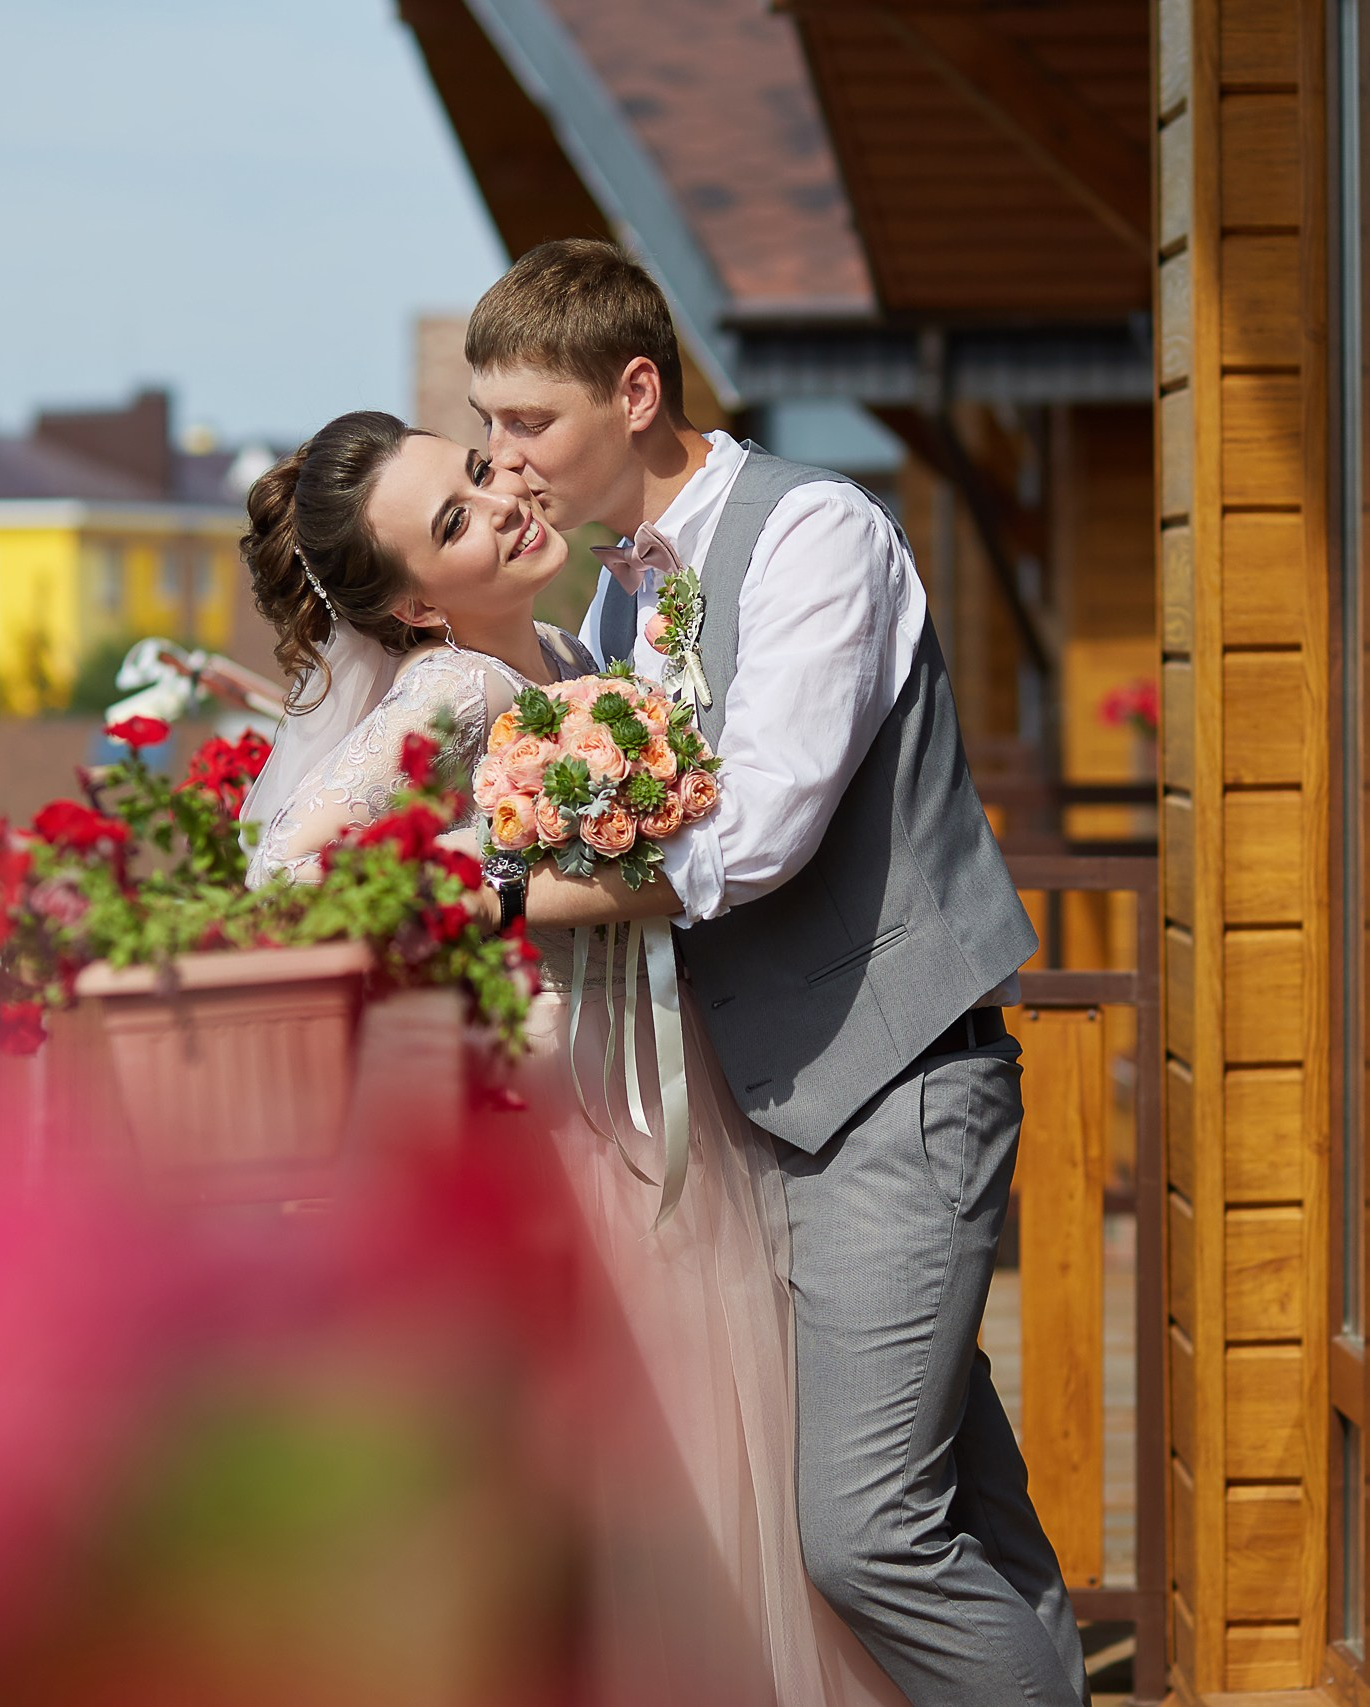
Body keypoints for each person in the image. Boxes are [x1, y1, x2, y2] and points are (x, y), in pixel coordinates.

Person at [469, 240, 1087, 1707]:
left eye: (528, 424)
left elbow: (755, 834)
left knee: (865, 1535)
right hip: (764, 1112)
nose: (505, 463)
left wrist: (490, 888)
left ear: (635, 390)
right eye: (488, 426)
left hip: (894, 1088)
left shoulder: (817, 533)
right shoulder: (617, 600)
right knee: (956, 1507)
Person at [236, 409, 906, 1707]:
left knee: (721, 1456)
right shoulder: (461, 687)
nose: (499, 503)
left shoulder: (554, 648)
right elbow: (290, 869)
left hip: (652, 1078)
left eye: (479, 473)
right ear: (420, 609)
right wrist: (504, 890)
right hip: (583, 1104)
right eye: (453, 521)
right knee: (653, 1476)